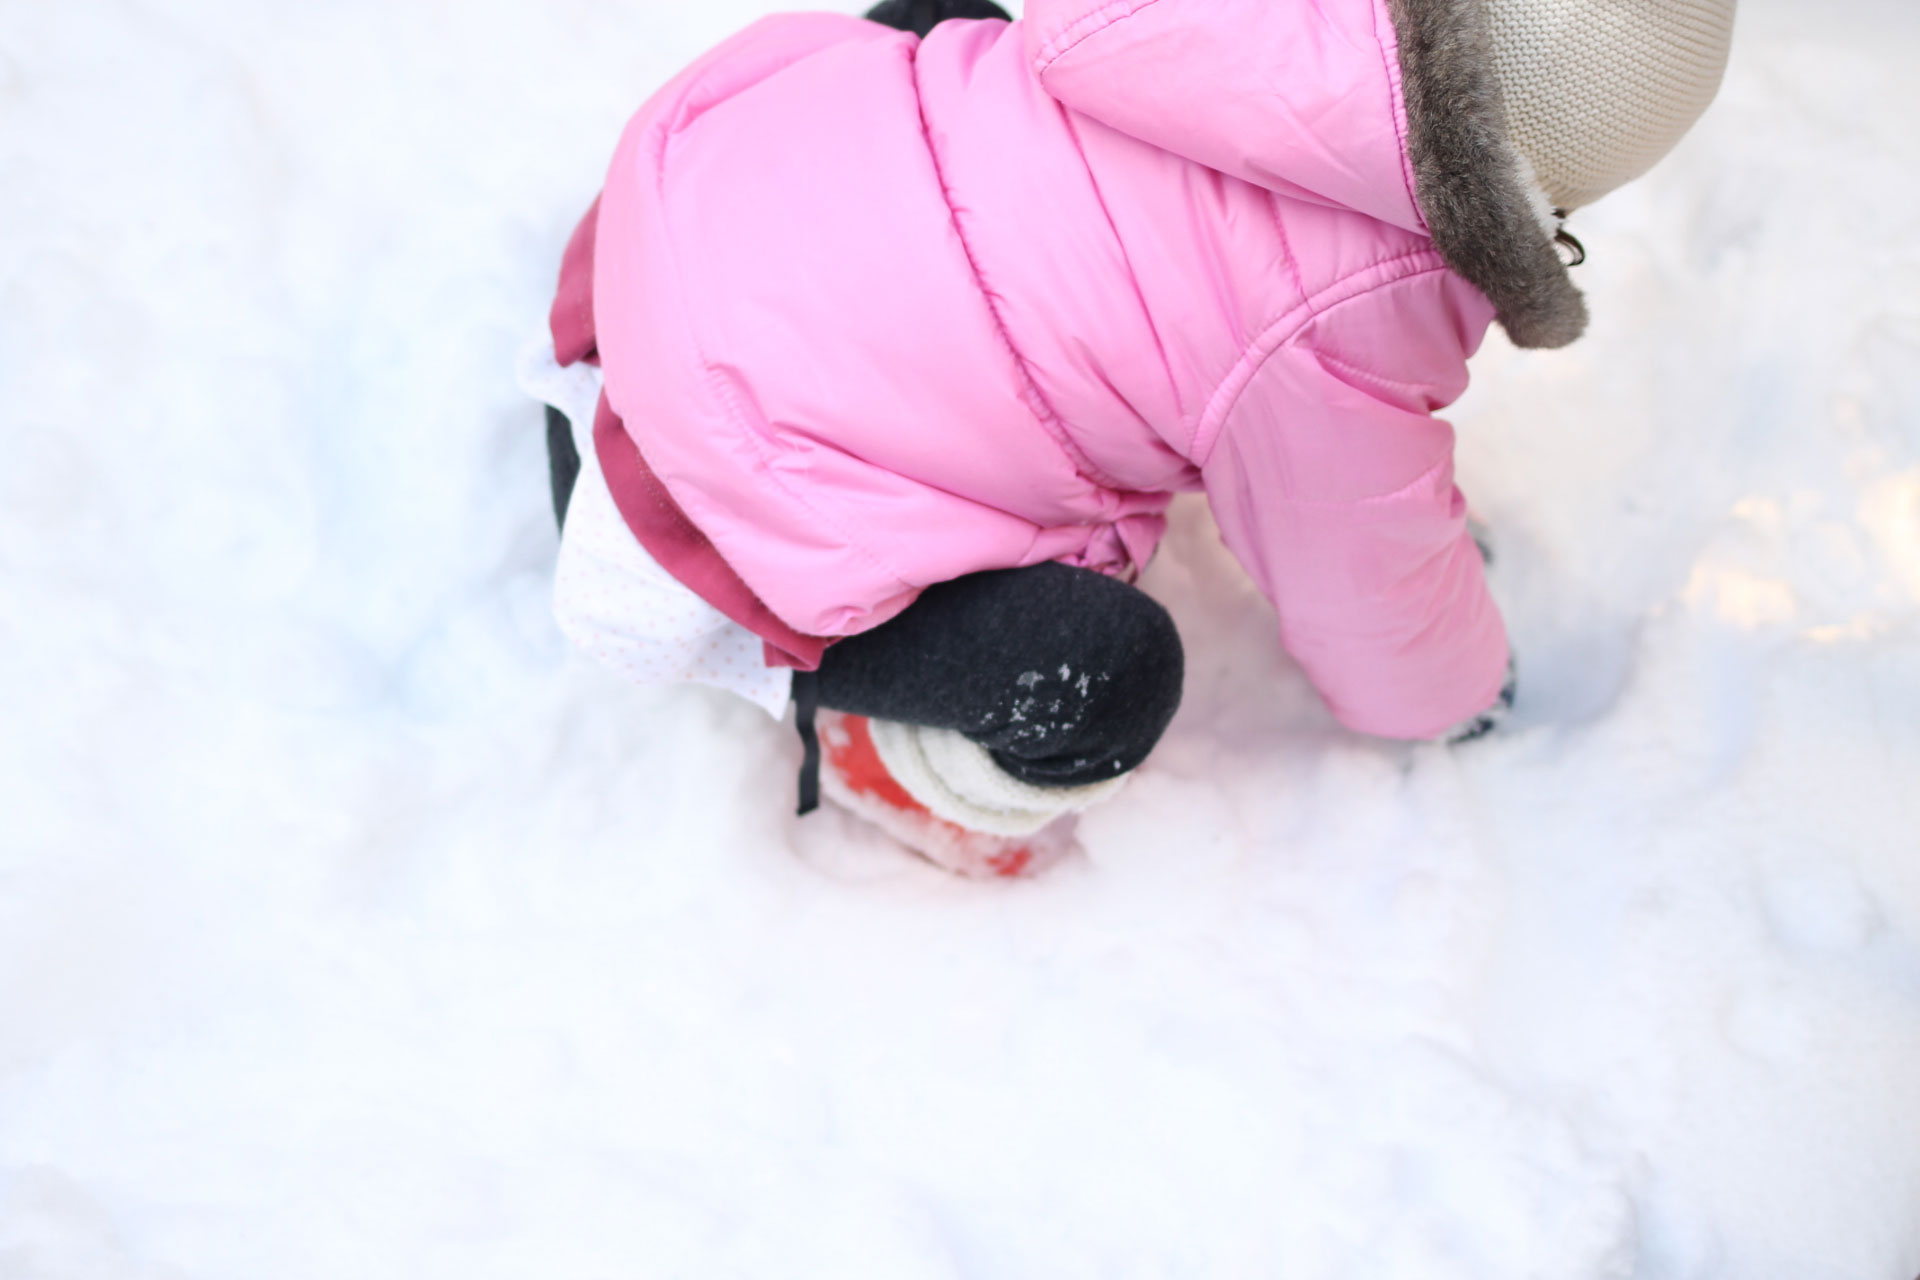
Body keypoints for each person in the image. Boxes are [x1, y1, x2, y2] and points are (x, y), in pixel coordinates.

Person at [521, 0, 1736, 876]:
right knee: (1107, 677)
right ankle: (885, 758)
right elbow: (1363, 564)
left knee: (959, 41)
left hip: (656, 240)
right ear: (1542, 199)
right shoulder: (1349, 317)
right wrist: (1455, 697)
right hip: (698, 508)